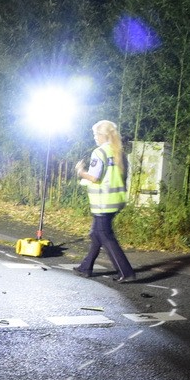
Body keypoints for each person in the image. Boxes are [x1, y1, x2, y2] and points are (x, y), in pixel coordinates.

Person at [74, 119, 135, 282]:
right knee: (96, 234)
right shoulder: (118, 152)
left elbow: (94, 177)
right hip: (115, 200)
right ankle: (85, 267)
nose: (95, 137)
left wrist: (81, 172)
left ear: (103, 135)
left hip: (103, 201)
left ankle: (126, 272)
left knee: (105, 236)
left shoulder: (100, 152)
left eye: (96, 134)